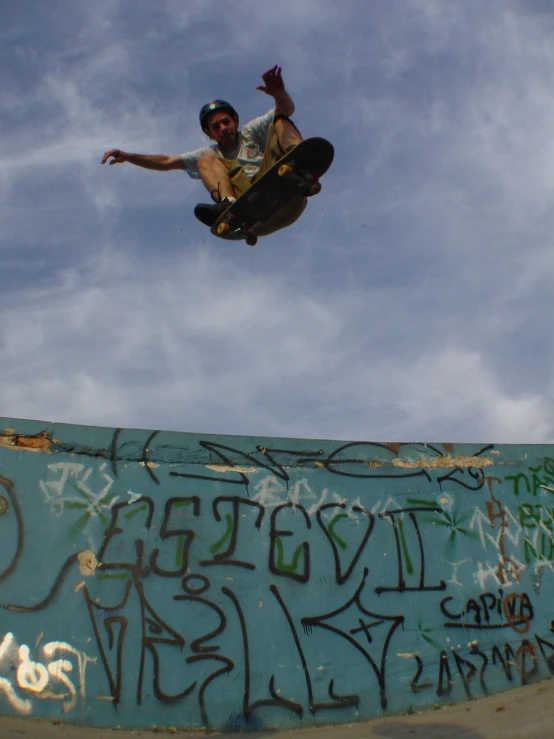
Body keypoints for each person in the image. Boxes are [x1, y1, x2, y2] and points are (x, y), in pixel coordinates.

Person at [101, 65, 307, 235]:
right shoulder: (212, 153)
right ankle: (230, 207)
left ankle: (299, 162)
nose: (223, 129)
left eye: (226, 122)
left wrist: (279, 94)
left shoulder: (251, 131)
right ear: (210, 134)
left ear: (235, 121)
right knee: (205, 160)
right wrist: (128, 157)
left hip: (287, 195)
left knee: (279, 119)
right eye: (216, 127)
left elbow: (286, 110)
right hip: (256, 215)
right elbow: (166, 162)